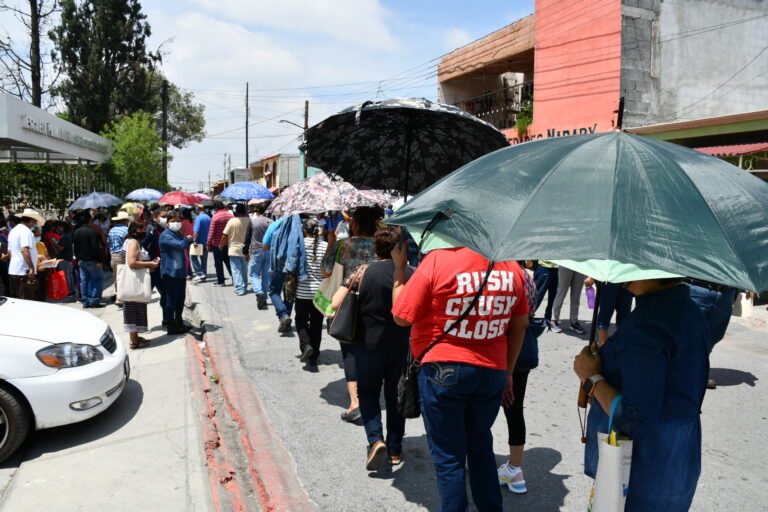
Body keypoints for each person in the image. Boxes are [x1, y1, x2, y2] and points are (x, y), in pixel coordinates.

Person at [391, 245, 529, 512]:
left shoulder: (438, 260)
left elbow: (400, 317)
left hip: (443, 367)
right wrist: (508, 372)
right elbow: (520, 324)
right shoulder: (511, 267)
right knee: (480, 446)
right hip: (491, 369)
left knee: (449, 457)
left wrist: (399, 271)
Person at [573, 278, 710, 511]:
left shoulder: (648, 326)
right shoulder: (690, 310)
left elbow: (636, 419)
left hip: (643, 467)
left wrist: (592, 378)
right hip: (678, 457)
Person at [331, 226, 413, 470]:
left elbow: (335, 304)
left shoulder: (363, 272)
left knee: (367, 394)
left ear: (376, 247)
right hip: (401, 346)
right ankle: (396, 450)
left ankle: (375, 440)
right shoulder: (411, 273)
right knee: (395, 397)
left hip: (367, 346)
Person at [321, 206, 381, 424]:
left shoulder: (341, 246)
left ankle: (355, 402)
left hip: (348, 304)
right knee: (373, 349)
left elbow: (325, 272)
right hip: (378, 304)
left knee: (350, 353)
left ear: (354, 224)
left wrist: (330, 243)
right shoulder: (382, 245)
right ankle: (372, 391)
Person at [498, 263, 543, 494]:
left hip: (496, 346)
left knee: (478, 408)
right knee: (514, 409)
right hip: (523, 348)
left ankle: (474, 459)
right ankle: (515, 470)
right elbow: (531, 308)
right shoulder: (526, 277)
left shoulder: (492, 273)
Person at [295, 218, 327, 368]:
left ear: (303, 230)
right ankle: (314, 357)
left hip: (302, 292)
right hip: (320, 292)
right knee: (316, 324)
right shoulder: (325, 246)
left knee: (301, 320)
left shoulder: (298, 246)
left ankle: (306, 345)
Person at [121, 222, 160, 348]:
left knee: (134, 308)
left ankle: (135, 337)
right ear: (133, 231)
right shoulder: (133, 243)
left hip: (134, 280)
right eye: (141, 229)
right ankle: (134, 340)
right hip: (134, 281)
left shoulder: (130, 241)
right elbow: (132, 262)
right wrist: (149, 264)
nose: (144, 231)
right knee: (133, 308)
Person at [159, 211, 192, 335]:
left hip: (180, 271)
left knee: (180, 299)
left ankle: (179, 321)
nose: (176, 223)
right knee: (171, 300)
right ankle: (171, 325)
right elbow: (179, 246)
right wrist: (187, 239)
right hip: (170, 272)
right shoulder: (165, 235)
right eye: (173, 221)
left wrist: (186, 238)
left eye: (178, 221)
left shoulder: (178, 234)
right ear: (167, 223)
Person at [7, 208, 45, 300]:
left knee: (19, 298)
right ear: (31, 221)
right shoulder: (25, 231)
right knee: (26, 299)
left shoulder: (13, 230)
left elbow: (10, 252)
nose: (35, 224)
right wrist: (31, 267)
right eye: (35, 222)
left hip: (15, 269)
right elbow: (24, 250)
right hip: (23, 270)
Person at [142, 207, 169, 324]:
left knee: (166, 294)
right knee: (144, 296)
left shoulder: (166, 229)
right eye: (163, 216)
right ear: (155, 217)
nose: (165, 219)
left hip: (163, 267)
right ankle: (141, 324)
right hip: (152, 268)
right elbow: (142, 247)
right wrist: (149, 263)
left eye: (167, 216)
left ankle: (166, 318)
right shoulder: (150, 230)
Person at [73, 211, 105, 308]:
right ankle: (95, 301)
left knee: (84, 281)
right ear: (89, 221)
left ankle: (85, 301)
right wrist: (100, 260)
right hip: (92, 260)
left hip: (81, 260)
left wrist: (78, 258)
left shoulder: (76, 232)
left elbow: (75, 247)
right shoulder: (92, 232)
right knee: (97, 279)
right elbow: (96, 247)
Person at [589, 279, 634, 346]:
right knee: (605, 313)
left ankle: (621, 345)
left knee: (624, 316)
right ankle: (602, 345)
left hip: (627, 279)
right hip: (610, 279)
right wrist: (592, 277)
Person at [247, 203, 273, 309]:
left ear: (257, 210)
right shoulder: (271, 222)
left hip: (256, 251)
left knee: (253, 274)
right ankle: (265, 298)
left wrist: (245, 251)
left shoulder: (253, 222)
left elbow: (248, 237)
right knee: (266, 276)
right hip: (269, 251)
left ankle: (259, 292)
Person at [221, 204, 250, 296]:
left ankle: (240, 289)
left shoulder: (232, 221)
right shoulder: (250, 221)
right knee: (244, 269)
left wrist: (221, 245)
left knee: (236, 269)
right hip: (246, 249)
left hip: (234, 249)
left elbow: (225, 234)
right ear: (245, 211)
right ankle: (244, 286)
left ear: (236, 211)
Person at [550, 266, 587, 334]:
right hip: (566, 263)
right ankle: (554, 320)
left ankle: (574, 322)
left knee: (576, 296)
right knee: (561, 294)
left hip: (581, 263)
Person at [207, 201, 233, 286]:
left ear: (215, 208)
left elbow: (211, 232)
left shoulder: (215, 217)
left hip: (217, 244)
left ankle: (221, 281)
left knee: (218, 263)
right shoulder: (230, 215)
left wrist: (208, 243)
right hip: (229, 243)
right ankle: (235, 279)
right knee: (229, 262)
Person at [107, 211, 130, 305]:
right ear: (125, 220)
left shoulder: (111, 230)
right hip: (123, 255)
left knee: (116, 277)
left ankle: (119, 296)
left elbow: (108, 243)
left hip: (113, 256)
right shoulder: (126, 230)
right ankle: (121, 298)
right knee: (124, 277)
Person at [534, 260, 559, 329]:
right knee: (537, 296)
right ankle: (527, 318)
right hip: (544, 266)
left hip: (557, 267)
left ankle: (548, 320)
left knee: (553, 297)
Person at [191, 205, 211, 282]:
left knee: (193, 257)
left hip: (199, 242)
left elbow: (196, 231)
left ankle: (200, 273)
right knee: (204, 260)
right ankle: (203, 275)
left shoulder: (199, 218)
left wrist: (194, 240)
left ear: (197, 209)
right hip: (206, 242)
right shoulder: (208, 217)